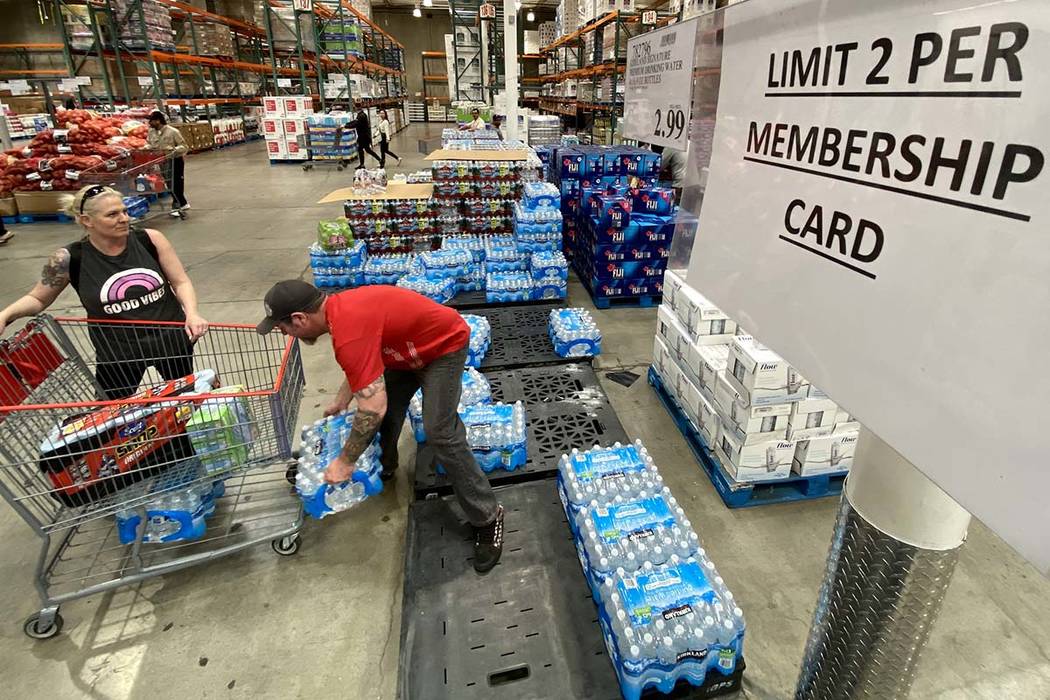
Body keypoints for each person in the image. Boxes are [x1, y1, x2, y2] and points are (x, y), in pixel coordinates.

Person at [256, 280, 504, 573]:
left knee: (439, 430)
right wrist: (341, 398)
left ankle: (488, 517)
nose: (284, 333)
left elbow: (372, 407)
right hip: (404, 353)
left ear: (299, 319)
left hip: (442, 347)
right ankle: (384, 465)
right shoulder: (338, 313)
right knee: (384, 412)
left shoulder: (347, 325)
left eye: (282, 327)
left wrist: (345, 462)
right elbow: (361, 360)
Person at [0, 185, 208, 399]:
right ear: (86, 220)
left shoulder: (151, 239)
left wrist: (192, 313)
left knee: (185, 403)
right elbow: (37, 298)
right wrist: (5, 316)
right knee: (109, 416)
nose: (124, 218)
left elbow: (180, 282)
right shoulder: (67, 259)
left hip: (170, 342)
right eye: (112, 214)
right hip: (118, 353)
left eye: (124, 211)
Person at [146, 110, 190, 217]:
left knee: (176, 183)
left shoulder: (173, 132)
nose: (149, 123)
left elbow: (184, 146)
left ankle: (177, 204)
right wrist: (143, 149)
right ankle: (182, 203)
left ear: (157, 121)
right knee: (169, 183)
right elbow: (149, 144)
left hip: (175, 160)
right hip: (162, 161)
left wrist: (173, 149)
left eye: (151, 121)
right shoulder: (151, 132)